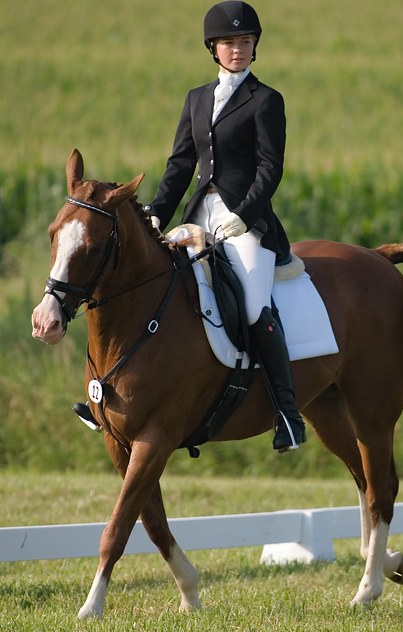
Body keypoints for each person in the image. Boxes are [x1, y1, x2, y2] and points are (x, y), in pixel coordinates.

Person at [144, 0, 306, 453]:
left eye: (246, 42)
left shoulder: (267, 100)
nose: (238, 49)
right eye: (229, 42)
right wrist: (157, 211)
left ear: (255, 47)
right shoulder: (196, 99)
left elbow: (270, 169)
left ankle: (288, 416)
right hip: (198, 217)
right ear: (213, 48)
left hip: (246, 224)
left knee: (255, 307)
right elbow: (180, 164)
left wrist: (244, 216)